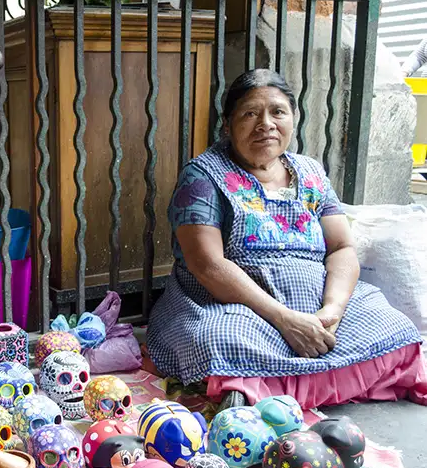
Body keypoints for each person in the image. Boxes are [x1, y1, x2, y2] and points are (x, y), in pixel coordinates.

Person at [147, 69, 427, 410]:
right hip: (237, 306)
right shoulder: (202, 176)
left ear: (292, 118)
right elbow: (208, 265)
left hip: (317, 303)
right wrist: (286, 320)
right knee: (218, 341)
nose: (265, 124)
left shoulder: (311, 172)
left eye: (278, 112)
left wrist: (331, 313)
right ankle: (307, 381)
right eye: (250, 113)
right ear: (228, 123)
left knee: (394, 328)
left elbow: (341, 247)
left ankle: (261, 390)